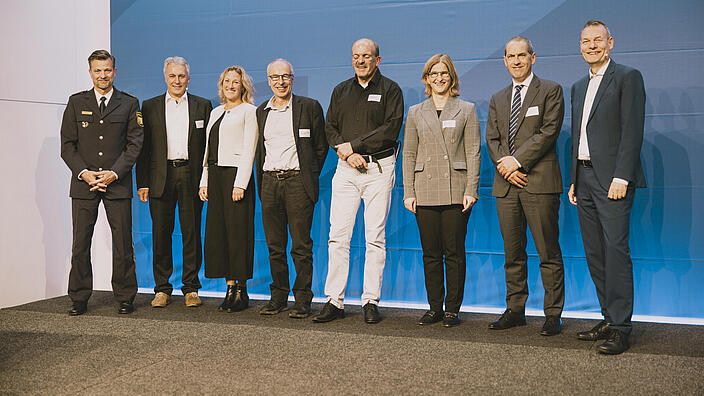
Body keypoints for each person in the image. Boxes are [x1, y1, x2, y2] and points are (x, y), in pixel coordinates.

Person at [312, 38, 404, 324]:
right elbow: (330, 128)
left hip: (379, 169)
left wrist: (355, 146)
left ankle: (370, 301)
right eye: (356, 56)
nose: (360, 60)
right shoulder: (341, 90)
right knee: (338, 236)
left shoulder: (391, 90)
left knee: (374, 237)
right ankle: (334, 301)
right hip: (346, 170)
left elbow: (390, 129)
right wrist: (347, 152)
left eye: (366, 56)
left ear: (378, 60)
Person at [569, 20, 646, 355]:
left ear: (610, 43)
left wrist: (622, 176)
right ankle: (608, 316)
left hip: (612, 180)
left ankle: (621, 327)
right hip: (583, 179)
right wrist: (573, 177)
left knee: (615, 252)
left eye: (598, 40)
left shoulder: (628, 77)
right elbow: (580, 136)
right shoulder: (577, 86)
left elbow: (632, 131)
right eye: (586, 41)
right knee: (595, 253)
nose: (592, 46)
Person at [485, 36, 566, 336]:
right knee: (513, 253)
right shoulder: (497, 98)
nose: (517, 60)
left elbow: (548, 133)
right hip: (506, 187)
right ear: (504, 61)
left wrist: (515, 162)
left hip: (539, 183)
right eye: (511, 56)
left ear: (534, 57)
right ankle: (515, 309)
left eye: (522, 55)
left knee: (548, 252)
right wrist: (506, 168)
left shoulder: (551, 91)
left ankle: (552, 313)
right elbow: (492, 139)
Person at [60, 49, 143, 315]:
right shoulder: (76, 102)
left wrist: (113, 173)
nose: (103, 75)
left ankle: (125, 296)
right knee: (80, 244)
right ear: (90, 72)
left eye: (107, 70)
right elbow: (67, 146)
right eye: (98, 70)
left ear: (114, 72)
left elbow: (135, 144)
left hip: (116, 184)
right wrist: (84, 173)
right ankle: (79, 298)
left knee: (123, 243)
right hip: (84, 184)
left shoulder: (129, 103)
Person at [402, 54, 480, 327]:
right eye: (433, 73)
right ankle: (434, 306)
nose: (438, 78)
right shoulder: (415, 112)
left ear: (452, 77)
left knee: (454, 251)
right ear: (426, 79)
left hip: (456, 189)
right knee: (430, 252)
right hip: (424, 189)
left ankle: (452, 309)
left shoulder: (467, 109)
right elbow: (409, 154)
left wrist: (472, 188)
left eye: (443, 73)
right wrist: (408, 191)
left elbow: (473, 152)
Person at [136, 56, 213, 308]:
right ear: (165, 77)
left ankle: (191, 287)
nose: (177, 80)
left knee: (191, 233)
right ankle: (162, 288)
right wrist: (143, 182)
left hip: (190, 176)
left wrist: (205, 180)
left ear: (188, 78)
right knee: (161, 234)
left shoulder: (203, 106)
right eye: (172, 76)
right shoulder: (149, 106)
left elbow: (209, 149)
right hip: (160, 177)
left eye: (181, 76)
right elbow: (143, 148)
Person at [254, 59, 328, 318]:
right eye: (275, 77)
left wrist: (307, 174)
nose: (280, 82)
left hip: (298, 182)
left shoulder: (309, 107)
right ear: (269, 80)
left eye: (285, 77)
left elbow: (321, 147)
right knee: (275, 245)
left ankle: (303, 299)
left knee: (300, 246)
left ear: (292, 79)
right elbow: (259, 151)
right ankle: (278, 297)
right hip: (269, 183)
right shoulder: (261, 111)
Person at [198, 66, 258, 312]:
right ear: (221, 85)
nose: (231, 86)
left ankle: (241, 291)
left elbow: (249, 149)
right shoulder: (215, 112)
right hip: (215, 176)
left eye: (236, 82)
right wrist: (204, 181)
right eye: (227, 81)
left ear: (243, 86)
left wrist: (240, 183)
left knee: (238, 235)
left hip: (236, 177)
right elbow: (208, 151)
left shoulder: (250, 112)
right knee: (219, 235)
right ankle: (229, 287)